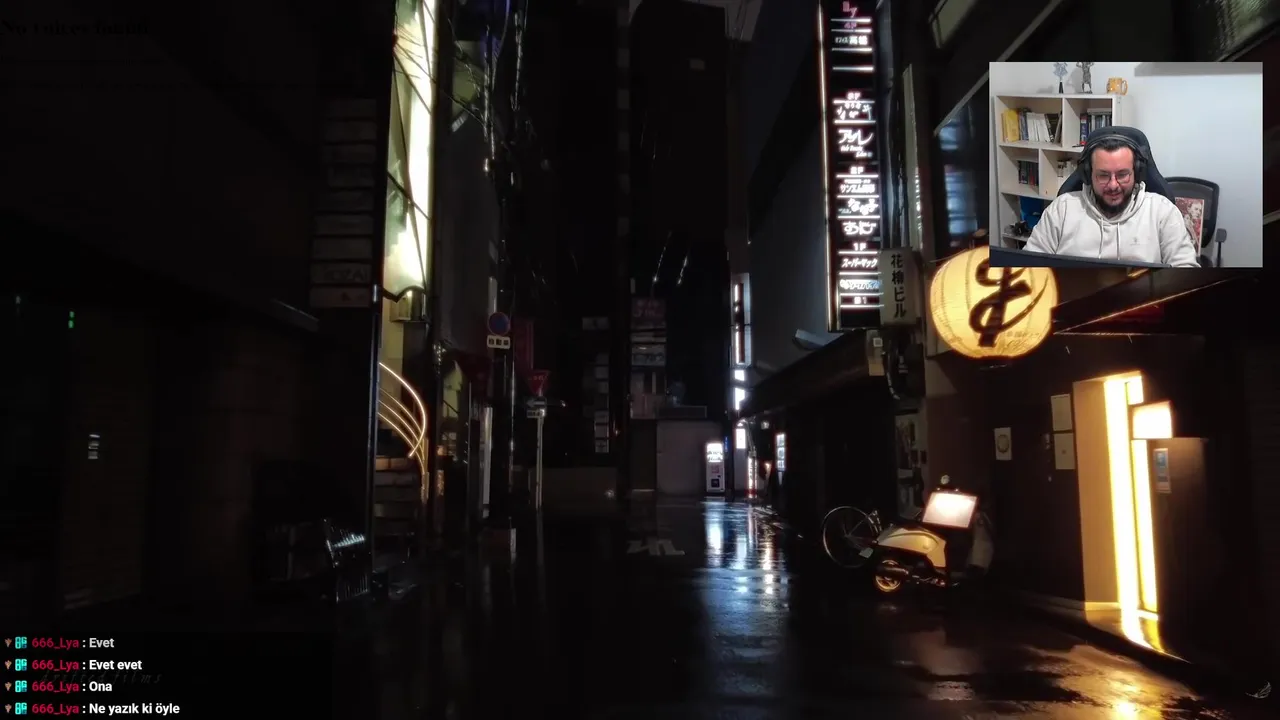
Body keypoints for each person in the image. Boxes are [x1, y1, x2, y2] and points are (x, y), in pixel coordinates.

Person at [1023, 136, 1199, 267]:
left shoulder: (1163, 212)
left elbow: (1185, 272)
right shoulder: (1061, 210)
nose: (1113, 185)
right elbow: (1028, 268)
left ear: (1136, 173)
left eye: (1122, 175)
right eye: (1103, 175)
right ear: (1088, 175)